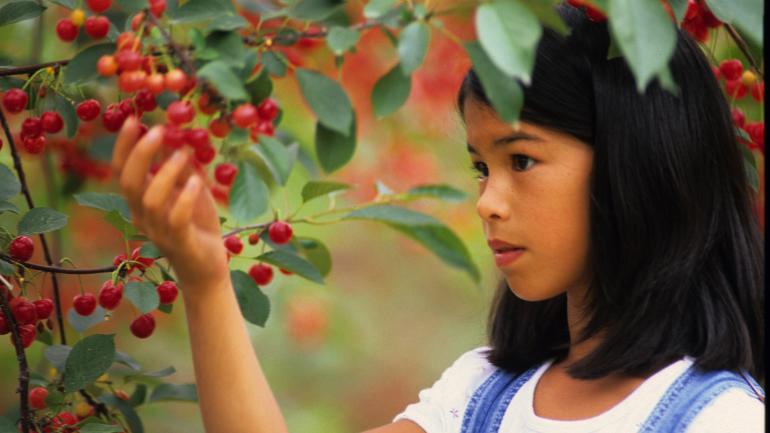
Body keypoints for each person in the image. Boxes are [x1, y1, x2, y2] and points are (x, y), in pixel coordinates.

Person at [110, 3, 764, 433]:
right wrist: (204, 277)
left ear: (637, 163)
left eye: (522, 161)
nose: (488, 200)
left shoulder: (720, 420)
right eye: (481, 167)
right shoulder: (482, 395)